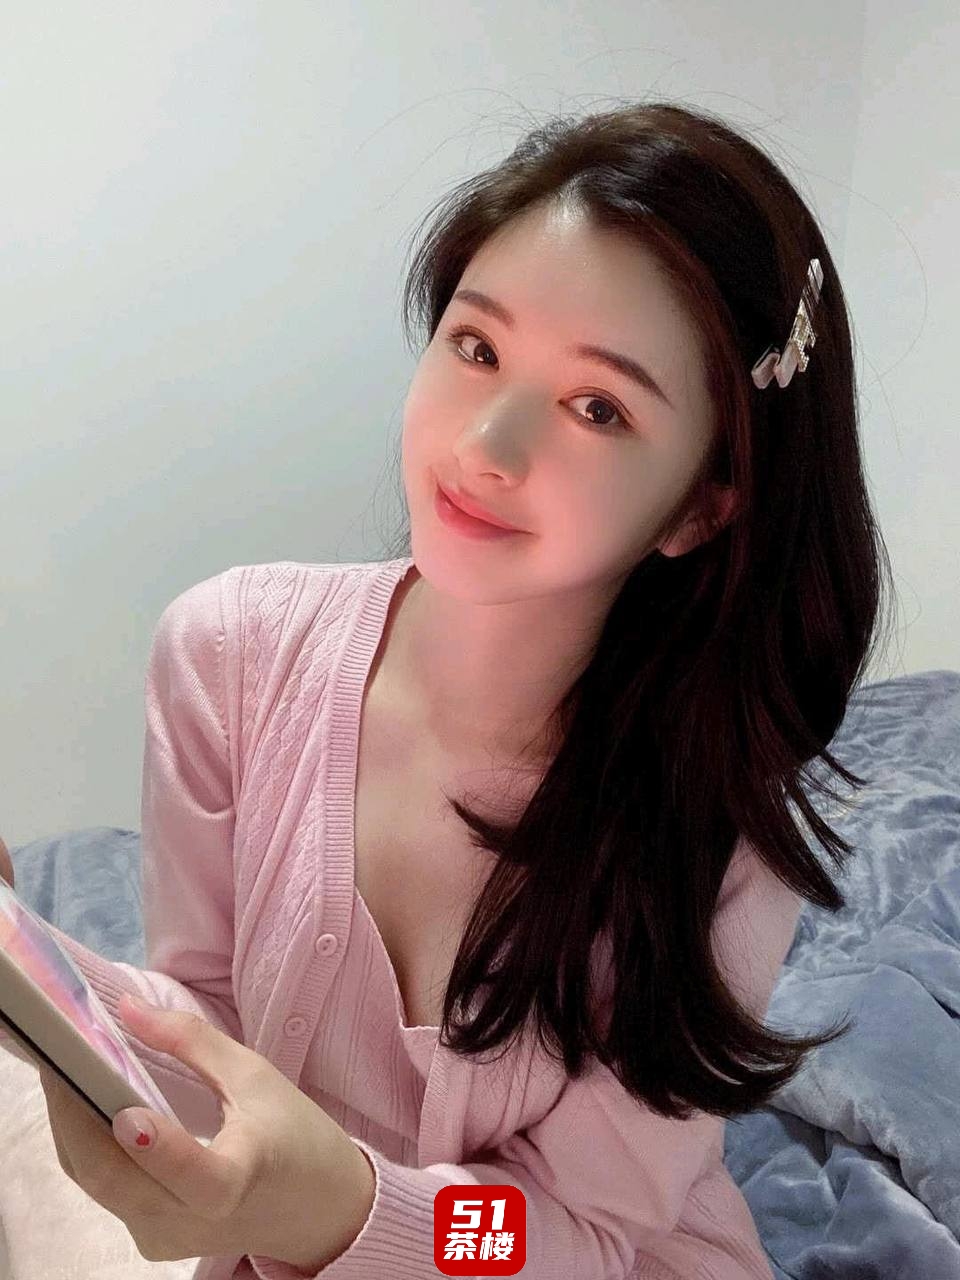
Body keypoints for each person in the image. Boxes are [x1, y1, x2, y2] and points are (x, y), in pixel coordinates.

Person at [0, 100, 895, 1278]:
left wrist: (344, 1211)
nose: (486, 445)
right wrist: (50, 982)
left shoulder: (714, 817)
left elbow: (582, 1234)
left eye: (599, 407)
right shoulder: (225, 654)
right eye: (476, 347)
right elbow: (204, 1027)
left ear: (700, 504)